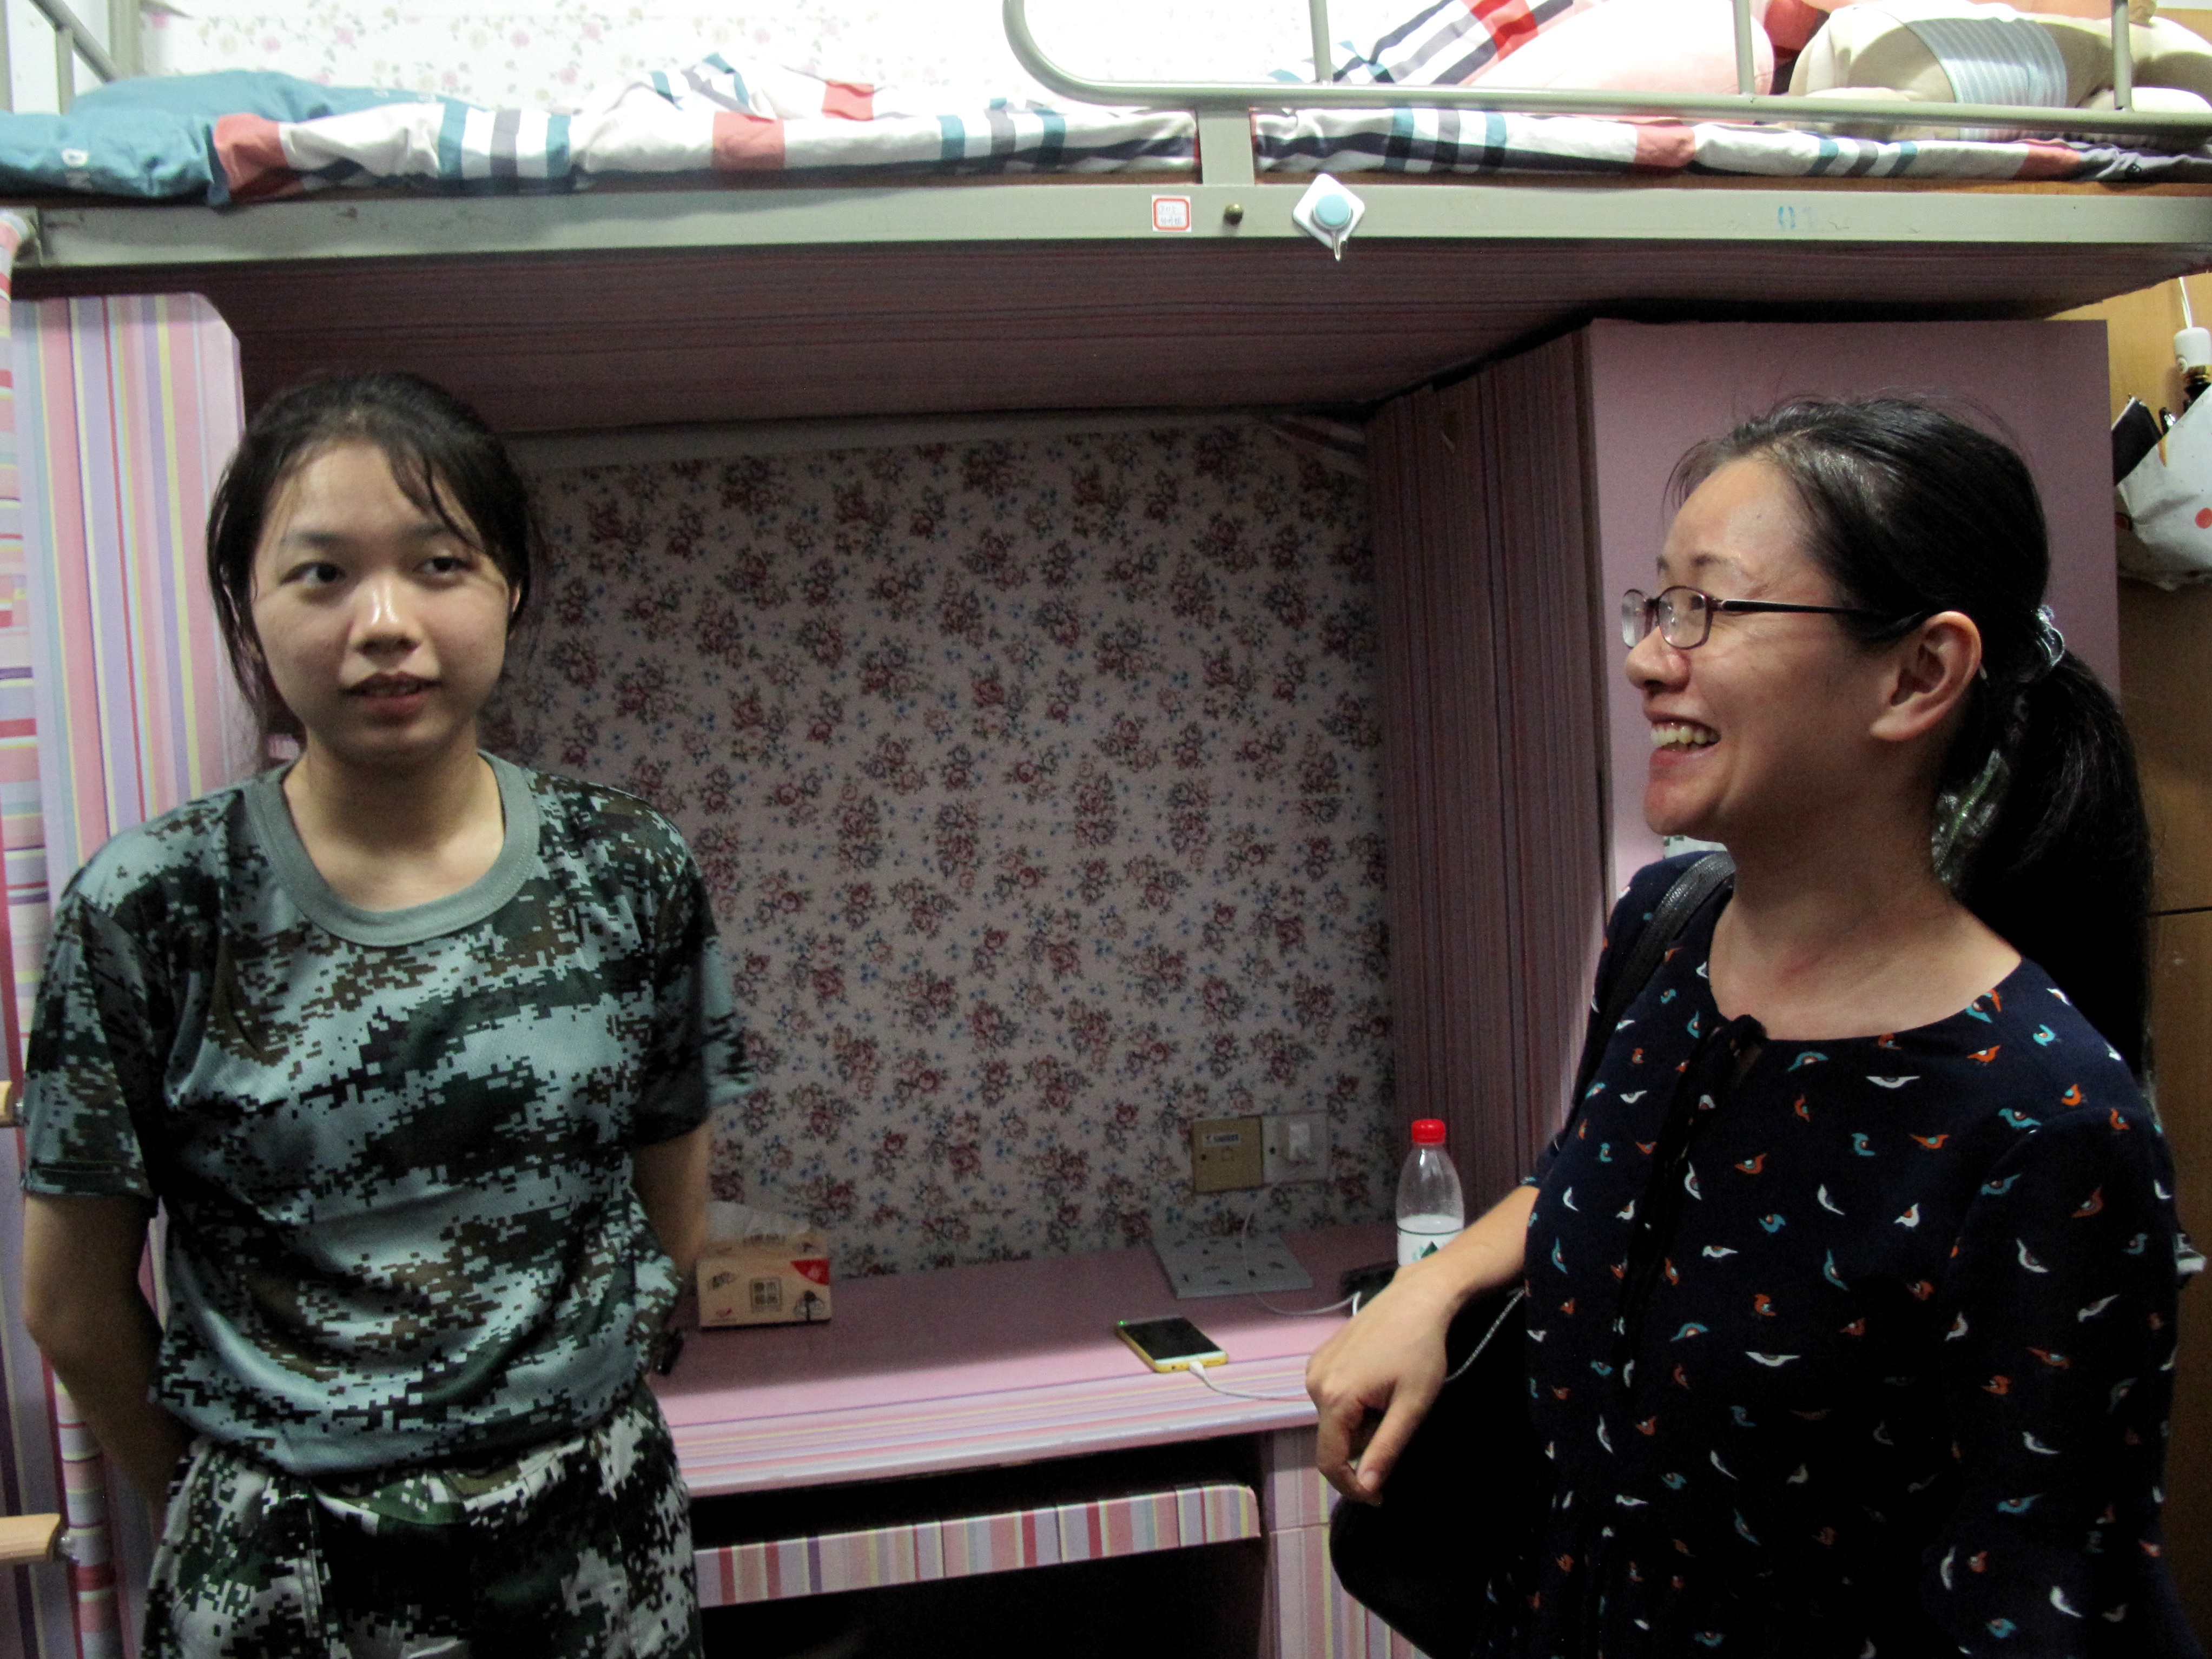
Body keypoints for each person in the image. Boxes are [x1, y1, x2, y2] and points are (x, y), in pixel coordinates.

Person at [1307, 398, 2201, 1656]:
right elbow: (1598, 1171)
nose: (1645, 658)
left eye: (1707, 609)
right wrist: (1434, 1283)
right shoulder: (1666, 932)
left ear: (1916, 675)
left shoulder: (2044, 1127)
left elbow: (2044, 1595)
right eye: (1655, 603)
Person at [18, 372, 747, 1658]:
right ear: (246, 606)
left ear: (510, 585)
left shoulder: (626, 869)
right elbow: (70, 1303)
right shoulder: (152, 907)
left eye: (439, 564)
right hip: (285, 1570)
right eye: (321, 575)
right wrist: (216, 1512)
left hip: (592, 1547)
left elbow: (670, 1217)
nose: (386, 625)